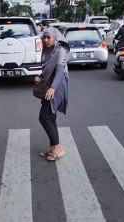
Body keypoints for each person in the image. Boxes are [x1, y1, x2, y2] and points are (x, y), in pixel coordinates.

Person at [35, 27, 70, 162]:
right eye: (44, 37)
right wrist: (39, 76)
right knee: (51, 117)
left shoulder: (61, 50)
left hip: (57, 87)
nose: (45, 40)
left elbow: (60, 70)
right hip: (48, 86)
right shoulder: (48, 50)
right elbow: (47, 69)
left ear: (55, 38)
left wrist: (53, 88)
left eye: (48, 37)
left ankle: (58, 147)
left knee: (44, 117)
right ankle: (52, 146)